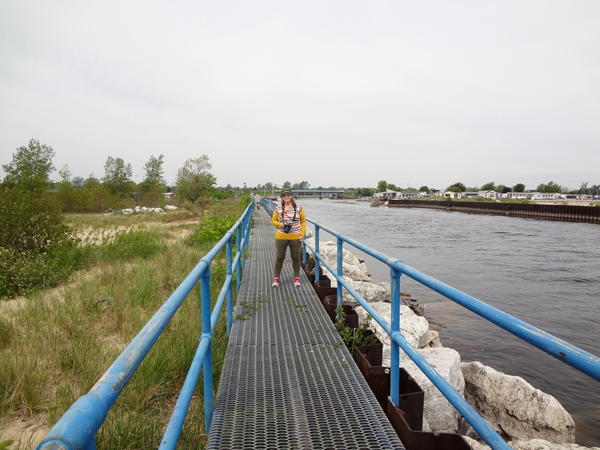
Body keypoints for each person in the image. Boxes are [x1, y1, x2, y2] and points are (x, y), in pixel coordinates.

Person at [271, 189, 305, 287]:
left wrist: (302, 234)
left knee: (295, 257)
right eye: (284, 195)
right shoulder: (278, 208)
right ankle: (276, 278)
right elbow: (273, 221)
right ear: (282, 197)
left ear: (291, 196)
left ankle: (296, 278)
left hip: (295, 236)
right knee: (280, 257)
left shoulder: (298, 207)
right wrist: (280, 224)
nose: (286, 196)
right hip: (281, 236)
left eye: (288, 195)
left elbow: (303, 221)